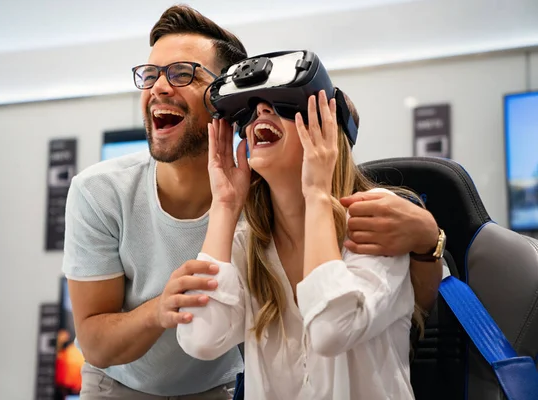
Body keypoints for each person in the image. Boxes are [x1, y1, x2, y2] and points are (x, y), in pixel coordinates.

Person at [62, 5, 444, 399]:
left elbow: (392, 311)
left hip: (214, 387)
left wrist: (427, 237)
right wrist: (226, 206)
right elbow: (198, 337)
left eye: (181, 73)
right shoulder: (247, 236)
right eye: (151, 74)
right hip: (120, 383)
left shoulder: (365, 216)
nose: (159, 87)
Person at [177, 87, 422, 399]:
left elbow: (332, 330)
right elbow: (200, 339)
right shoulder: (247, 243)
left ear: (329, 135)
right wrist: (224, 205)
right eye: (252, 111)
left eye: (284, 104)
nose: (261, 113)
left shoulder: (377, 218)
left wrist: (318, 193)